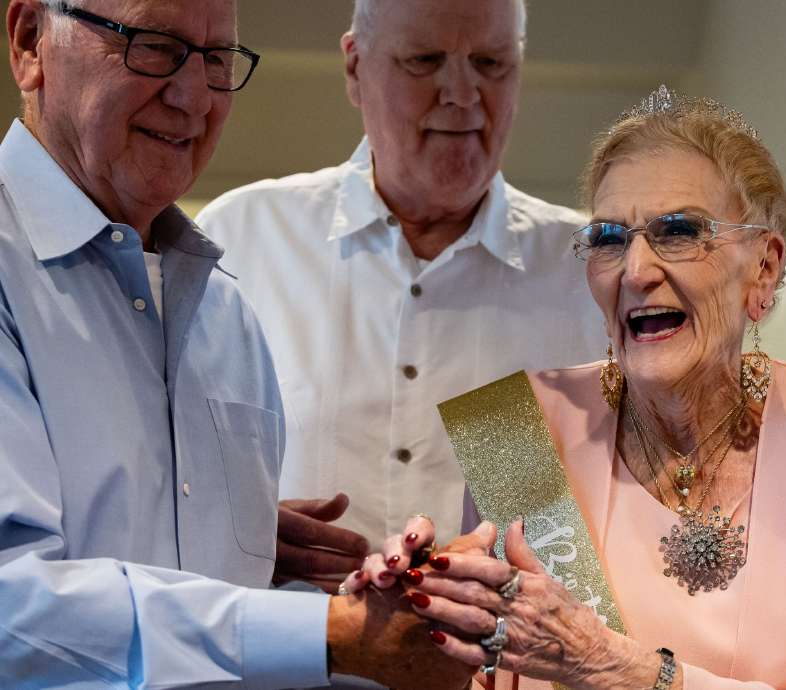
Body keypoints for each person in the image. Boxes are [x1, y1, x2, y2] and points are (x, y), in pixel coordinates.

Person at [354, 88, 786, 689]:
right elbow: (494, 676)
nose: (637, 270)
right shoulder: (514, 430)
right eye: (608, 239)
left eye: (678, 232)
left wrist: (607, 663)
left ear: (766, 266)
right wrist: (420, 625)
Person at [0, 1, 481, 687]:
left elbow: (557, 544)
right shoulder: (259, 237)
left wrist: (417, 616)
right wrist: (332, 634)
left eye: (218, 59)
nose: (462, 97)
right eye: (154, 46)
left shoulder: (566, 276)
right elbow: (14, 608)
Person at [196, 0, 606, 590]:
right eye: (425, 60)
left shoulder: (585, 273)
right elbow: (171, 479)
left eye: (491, 62)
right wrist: (233, 534)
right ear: (354, 68)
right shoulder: (241, 240)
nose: (463, 94)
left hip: (497, 675)